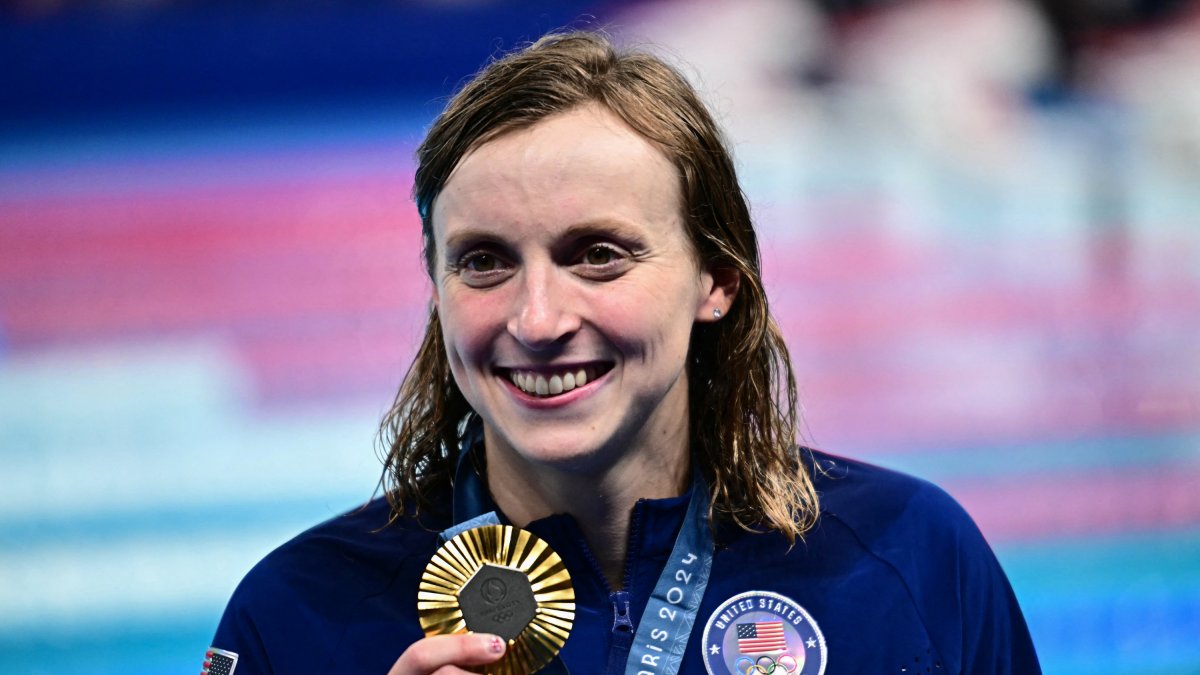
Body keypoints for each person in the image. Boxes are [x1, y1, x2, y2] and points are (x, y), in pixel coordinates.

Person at [210, 31, 1041, 675]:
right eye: (485, 261)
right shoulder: (298, 615)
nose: (537, 318)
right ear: (437, 290)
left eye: (598, 254)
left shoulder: (907, 557)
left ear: (717, 280)